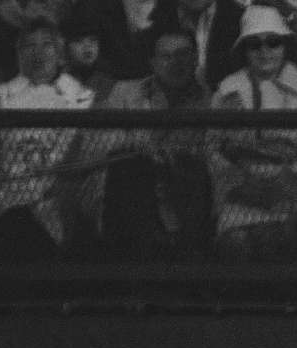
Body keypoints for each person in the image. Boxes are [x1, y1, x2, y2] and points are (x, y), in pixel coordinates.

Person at [80, 27, 213, 261]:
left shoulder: (211, 102)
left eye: (183, 54)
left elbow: (211, 154)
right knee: (133, 169)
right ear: (152, 62)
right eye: (166, 56)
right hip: (125, 197)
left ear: (195, 59)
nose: (176, 63)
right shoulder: (124, 93)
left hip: (180, 194)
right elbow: (93, 144)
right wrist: (136, 145)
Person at [206, 4, 297, 264]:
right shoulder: (226, 91)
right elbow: (213, 148)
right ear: (244, 49)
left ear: (285, 45)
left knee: (274, 241)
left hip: (290, 196)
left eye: (273, 42)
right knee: (235, 245)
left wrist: (284, 184)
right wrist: (241, 185)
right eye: (254, 44)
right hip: (239, 195)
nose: (264, 51)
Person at [0, 18, 94, 263]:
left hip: (56, 201)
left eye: (46, 45)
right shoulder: (0, 95)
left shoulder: (81, 96)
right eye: (29, 45)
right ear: (18, 54)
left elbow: (81, 155)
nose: (37, 53)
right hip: (4, 198)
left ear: (60, 52)